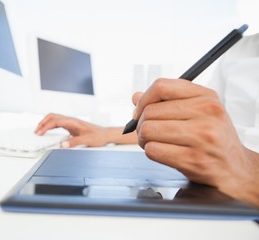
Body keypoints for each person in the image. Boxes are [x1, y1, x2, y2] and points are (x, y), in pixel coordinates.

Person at [35, 33, 259, 208]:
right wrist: (105, 133)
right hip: (214, 190)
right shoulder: (238, 51)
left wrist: (247, 174)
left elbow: (232, 155)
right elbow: (197, 130)